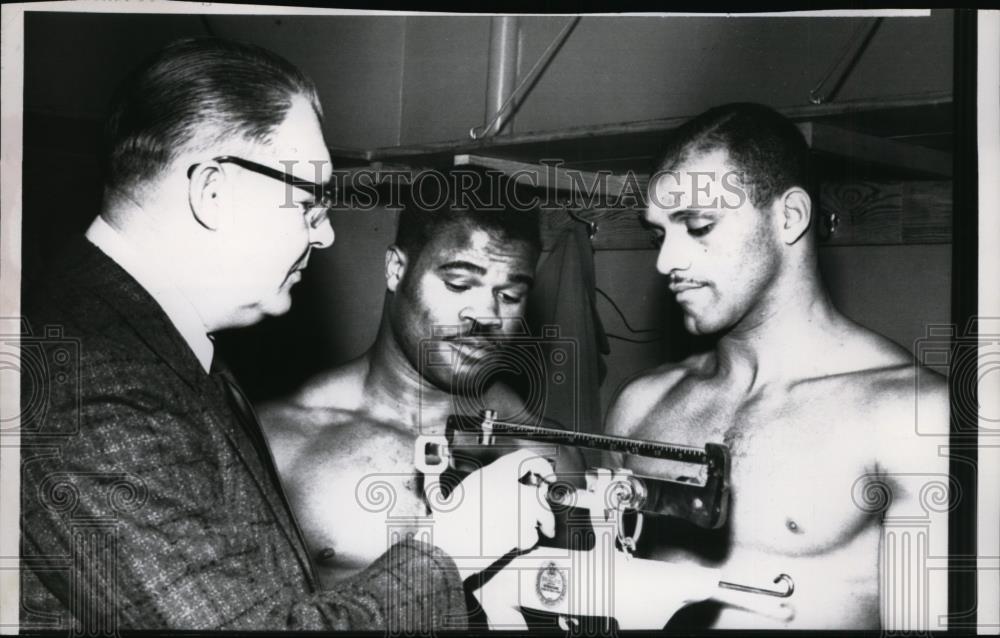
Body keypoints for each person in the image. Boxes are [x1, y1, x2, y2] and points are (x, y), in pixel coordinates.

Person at [19, 38, 554, 632]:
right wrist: (454, 548)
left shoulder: (155, 349)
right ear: (213, 193)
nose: (323, 236)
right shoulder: (91, 380)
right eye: (309, 202)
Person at [604, 103, 949, 630]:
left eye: (698, 225)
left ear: (788, 217)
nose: (666, 260)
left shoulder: (910, 417)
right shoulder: (641, 405)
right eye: (659, 235)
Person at [260, 168, 583, 586]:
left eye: (510, 296)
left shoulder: (547, 454)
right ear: (396, 269)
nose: (487, 316)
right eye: (459, 284)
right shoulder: (279, 443)